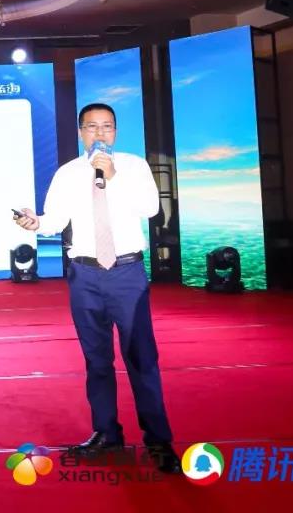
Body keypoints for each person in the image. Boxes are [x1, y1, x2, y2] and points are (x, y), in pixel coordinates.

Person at [14, 102, 180, 474]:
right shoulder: (67, 173)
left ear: (115, 132)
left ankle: (158, 440)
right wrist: (35, 222)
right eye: (92, 127)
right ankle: (106, 433)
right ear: (80, 132)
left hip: (127, 273)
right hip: (85, 275)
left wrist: (113, 176)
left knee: (141, 358)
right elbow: (55, 220)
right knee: (97, 360)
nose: (100, 133)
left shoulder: (133, 166)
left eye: (107, 126)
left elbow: (151, 208)